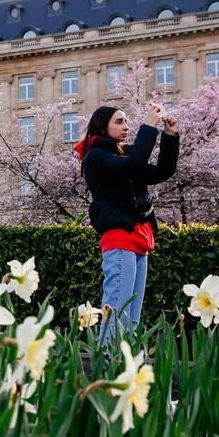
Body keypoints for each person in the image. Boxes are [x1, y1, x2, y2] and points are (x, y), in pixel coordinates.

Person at [75, 104, 179, 343]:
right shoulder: (96, 157)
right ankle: (108, 368)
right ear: (103, 126)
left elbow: (162, 171)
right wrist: (149, 126)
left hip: (140, 238)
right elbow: (133, 164)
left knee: (131, 318)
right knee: (117, 312)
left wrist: (170, 136)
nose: (126, 126)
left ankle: (124, 368)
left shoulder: (125, 154)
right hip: (120, 238)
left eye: (126, 121)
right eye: (119, 122)